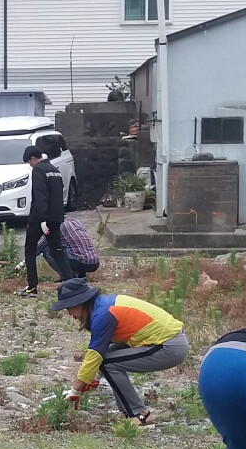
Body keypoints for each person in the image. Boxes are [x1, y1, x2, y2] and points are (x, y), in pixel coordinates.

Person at [50, 277, 186, 426]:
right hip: (161, 341)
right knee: (106, 362)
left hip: (168, 345)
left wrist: (75, 390)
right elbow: (103, 352)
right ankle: (128, 412)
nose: (69, 313)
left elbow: (94, 355)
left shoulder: (103, 314)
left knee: (108, 364)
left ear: (80, 303)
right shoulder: (103, 305)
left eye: (68, 307)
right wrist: (95, 375)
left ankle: (141, 415)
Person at [15, 144, 71, 296]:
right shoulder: (55, 170)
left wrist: (41, 219)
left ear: (33, 158)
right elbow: (59, 196)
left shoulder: (38, 170)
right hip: (56, 217)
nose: (30, 165)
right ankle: (72, 283)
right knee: (57, 249)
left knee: (30, 250)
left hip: (41, 219)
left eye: (29, 162)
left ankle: (32, 286)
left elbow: (41, 197)